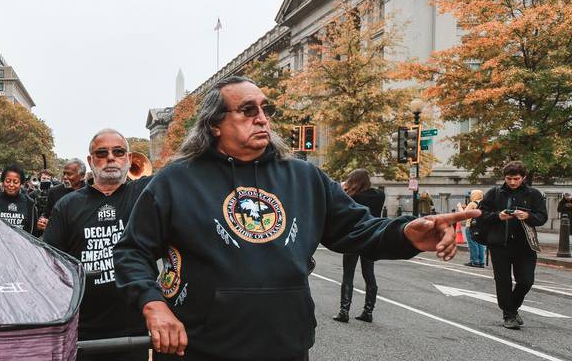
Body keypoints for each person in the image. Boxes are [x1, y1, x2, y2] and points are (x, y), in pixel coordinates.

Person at [113, 76, 475, 360]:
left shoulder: (304, 177)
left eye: (265, 109)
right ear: (214, 126)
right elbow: (132, 251)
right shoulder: (175, 181)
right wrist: (154, 304)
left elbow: (359, 230)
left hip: (286, 343)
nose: (262, 118)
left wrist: (408, 234)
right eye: (248, 110)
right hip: (199, 346)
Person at [42, 129, 152, 361]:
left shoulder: (145, 195)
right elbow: (48, 264)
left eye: (118, 152)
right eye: (102, 153)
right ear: (91, 161)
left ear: (129, 159)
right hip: (83, 330)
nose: (110, 157)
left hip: (134, 329)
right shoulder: (66, 205)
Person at [474, 160, 548, 330]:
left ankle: (512, 309)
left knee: (526, 281)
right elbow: (481, 214)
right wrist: (497, 216)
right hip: (500, 245)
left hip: (525, 246)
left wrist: (527, 216)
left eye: (516, 178)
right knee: (503, 281)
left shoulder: (534, 194)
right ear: (504, 178)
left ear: (523, 177)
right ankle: (509, 316)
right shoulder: (494, 193)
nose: (512, 182)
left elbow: (542, 217)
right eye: (509, 178)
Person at [333, 169, 385, 323]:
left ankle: (344, 311)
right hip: (372, 238)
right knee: (369, 275)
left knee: (348, 275)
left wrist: (343, 189)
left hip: (354, 238)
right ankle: (368, 311)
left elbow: (340, 207)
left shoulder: (353, 197)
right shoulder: (379, 195)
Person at [0, 164, 39, 236]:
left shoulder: (29, 202)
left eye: (15, 182)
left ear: (21, 184)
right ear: (3, 182)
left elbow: (35, 232)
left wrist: (41, 227)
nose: (11, 185)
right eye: (8, 181)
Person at [39, 159, 87, 231]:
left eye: (69, 174)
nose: (65, 177)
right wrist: (43, 221)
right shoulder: (54, 191)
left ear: (82, 176)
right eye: (64, 173)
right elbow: (47, 214)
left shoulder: (91, 194)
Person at [460, 190, 487, 268]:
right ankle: (481, 261)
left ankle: (474, 261)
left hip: (471, 226)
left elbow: (464, 214)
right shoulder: (484, 203)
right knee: (481, 244)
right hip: (481, 226)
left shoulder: (472, 203)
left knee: (473, 244)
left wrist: (459, 207)